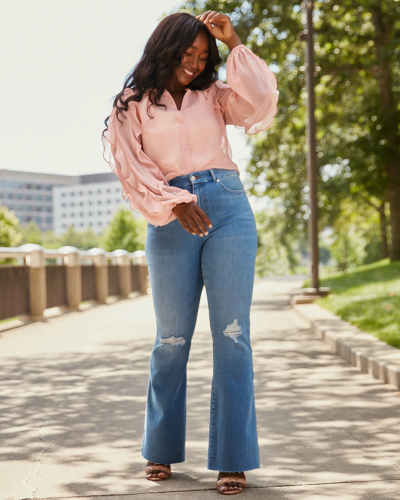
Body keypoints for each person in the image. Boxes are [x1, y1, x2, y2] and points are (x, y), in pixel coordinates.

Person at [102, 10, 279, 495]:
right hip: (169, 216)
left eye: (204, 57)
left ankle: (233, 459)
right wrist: (175, 203)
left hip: (228, 208)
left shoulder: (215, 96)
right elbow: (133, 169)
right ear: (166, 48)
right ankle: (159, 448)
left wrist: (235, 41)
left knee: (232, 334)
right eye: (188, 54)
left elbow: (261, 102)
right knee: (172, 340)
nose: (194, 63)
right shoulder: (132, 104)